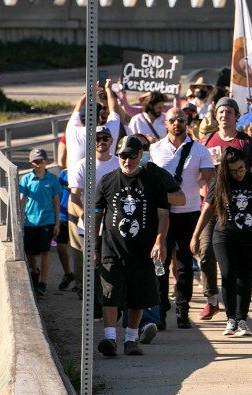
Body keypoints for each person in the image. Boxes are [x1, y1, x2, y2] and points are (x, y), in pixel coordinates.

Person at [94, 135, 170, 357]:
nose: (127, 161)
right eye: (123, 156)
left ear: (140, 155)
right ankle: (110, 339)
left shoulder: (153, 182)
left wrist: (159, 241)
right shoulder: (107, 181)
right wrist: (93, 246)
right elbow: (97, 215)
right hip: (112, 248)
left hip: (142, 249)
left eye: (132, 156)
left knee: (138, 297)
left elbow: (164, 215)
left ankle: (131, 339)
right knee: (110, 294)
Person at [197, 97, 252, 320]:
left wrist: (233, 178)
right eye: (220, 112)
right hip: (212, 206)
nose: (224, 115)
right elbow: (197, 174)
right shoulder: (206, 141)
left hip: (241, 209)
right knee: (205, 252)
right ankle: (212, 299)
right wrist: (207, 185)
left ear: (237, 116)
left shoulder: (247, 143)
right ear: (215, 116)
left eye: (228, 112)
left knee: (237, 268)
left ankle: (237, 313)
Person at [192, 147, 252, 338]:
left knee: (245, 278)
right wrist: (195, 235)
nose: (239, 173)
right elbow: (207, 211)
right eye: (234, 171)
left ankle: (242, 319)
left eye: (241, 168)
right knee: (228, 274)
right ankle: (231, 319)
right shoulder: (219, 183)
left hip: (251, 237)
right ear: (226, 170)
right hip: (224, 235)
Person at [149, 107, 215, 328]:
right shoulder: (155, 149)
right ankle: (160, 310)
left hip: (189, 214)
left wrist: (208, 185)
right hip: (161, 214)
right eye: (172, 120)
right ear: (165, 124)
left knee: (186, 264)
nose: (177, 123)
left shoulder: (199, 150)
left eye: (181, 120)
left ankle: (182, 310)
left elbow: (210, 179)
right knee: (161, 263)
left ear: (187, 123)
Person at [68, 126, 122, 295]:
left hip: (113, 226)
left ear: (111, 141)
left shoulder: (119, 163)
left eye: (105, 138)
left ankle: (111, 303)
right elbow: (75, 197)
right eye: (97, 139)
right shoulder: (82, 165)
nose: (101, 142)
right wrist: (84, 215)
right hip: (89, 227)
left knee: (113, 266)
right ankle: (95, 307)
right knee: (92, 266)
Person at [19, 148, 62, 297]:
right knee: (30, 252)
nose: (39, 164)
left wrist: (57, 222)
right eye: (35, 161)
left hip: (47, 220)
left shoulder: (52, 179)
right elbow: (21, 199)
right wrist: (18, 219)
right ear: (31, 163)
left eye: (41, 161)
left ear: (46, 162)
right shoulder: (26, 179)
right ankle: (34, 271)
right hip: (30, 221)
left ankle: (43, 282)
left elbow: (56, 200)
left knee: (45, 251)